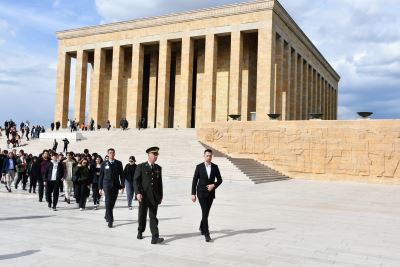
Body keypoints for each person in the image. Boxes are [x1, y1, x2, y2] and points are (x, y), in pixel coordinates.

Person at [191, 149, 223, 242]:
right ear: (204, 156)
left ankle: (201, 227)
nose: (209, 157)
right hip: (201, 193)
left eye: (210, 156)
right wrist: (193, 194)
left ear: (212, 156)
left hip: (210, 194)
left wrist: (214, 185)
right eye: (207, 155)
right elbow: (194, 181)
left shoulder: (215, 167)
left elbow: (220, 180)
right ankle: (207, 233)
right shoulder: (199, 167)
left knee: (206, 213)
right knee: (205, 212)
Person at [134, 147, 164, 244]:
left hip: (154, 197)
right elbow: (136, 181)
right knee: (142, 215)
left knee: (153, 216)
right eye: (154, 155)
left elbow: (160, 183)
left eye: (157, 155)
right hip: (143, 196)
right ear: (149, 155)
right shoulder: (141, 166)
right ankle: (140, 231)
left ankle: (155, 237)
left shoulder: (158, 168)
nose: (156, 156)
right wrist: (137, 193)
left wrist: (161, 195)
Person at [99, 148, 124, 228]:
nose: (111, 154)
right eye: (110, 153)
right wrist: (100, 187)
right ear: (107, 154)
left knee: (112, 201)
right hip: (106, 184)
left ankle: (107, 214)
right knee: (108, 200)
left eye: (113, 153)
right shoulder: (104, 163)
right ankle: (110, 220)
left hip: (116, 185)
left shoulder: (119, 163)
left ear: (114, 154)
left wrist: (122, 185)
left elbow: (122, 175)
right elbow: (101, 176)